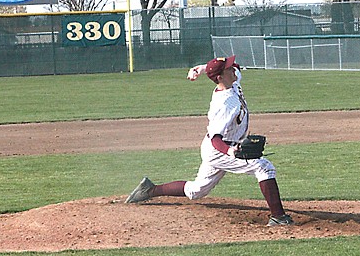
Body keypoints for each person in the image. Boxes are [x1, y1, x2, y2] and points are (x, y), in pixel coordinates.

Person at [125, 55, 294, 227]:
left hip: (224, 146)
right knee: (263, 167)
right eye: (228, 68)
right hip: (219, 150)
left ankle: (149, 190)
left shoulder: (232, 81)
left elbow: (235, 66)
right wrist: (231, 151)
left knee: (196, 191)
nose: (233, 69)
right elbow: (215, 139)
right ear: (220, 77)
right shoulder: (224, 104)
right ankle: (278, 217)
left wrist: (202, 68)